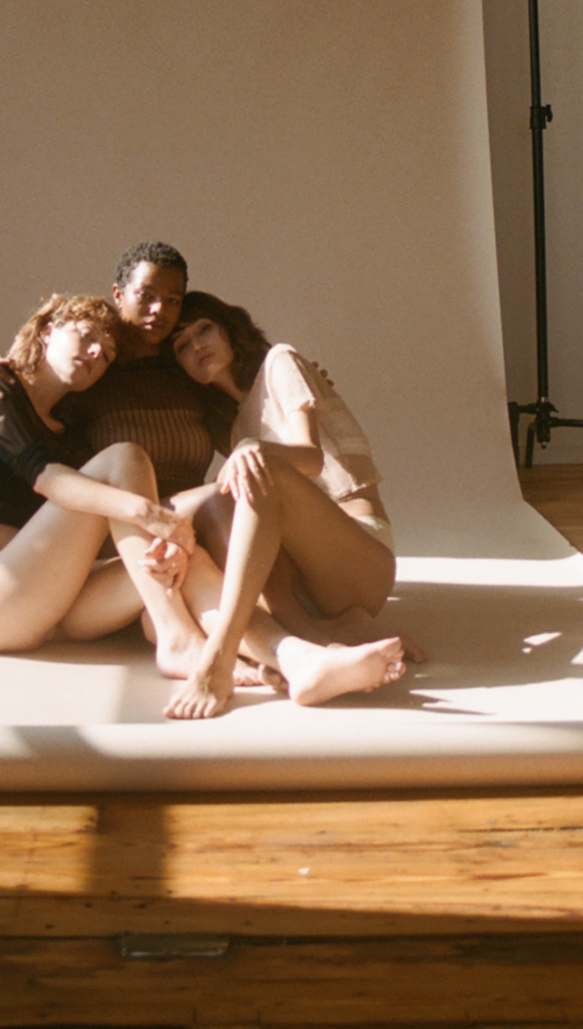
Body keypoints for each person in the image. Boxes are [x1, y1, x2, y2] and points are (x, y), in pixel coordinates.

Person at [0, 291, 203, 672]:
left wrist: (164, 539)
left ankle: (268, 654)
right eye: (86, 336)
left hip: (54, 604)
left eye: (106, 356)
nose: (95, 353)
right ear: (47, 331)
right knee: (125, 457)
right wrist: (148, 514)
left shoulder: (69, 436)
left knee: (184, 560)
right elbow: (44, 477)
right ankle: (176, 637)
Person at [163, 290, 408, 718]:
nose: (197, 346)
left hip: (358, 557)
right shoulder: (236, 426)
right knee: (218, 504)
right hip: (303, 589)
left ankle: (219, 657)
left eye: (204, 329)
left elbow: (310, 458)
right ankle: (313, 647)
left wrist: (255, 449)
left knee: (258, 470)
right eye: (182, 346)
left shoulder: (280, 361)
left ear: (229, 329)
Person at [0, 241, 215, 498]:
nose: (159, 309)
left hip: (196, 513)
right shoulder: (89, 372)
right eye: (146, 295)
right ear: (118, 294)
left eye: (173, 300)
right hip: (113, 517)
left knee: (224, 496)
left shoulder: (189, 374)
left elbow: (236, 430)